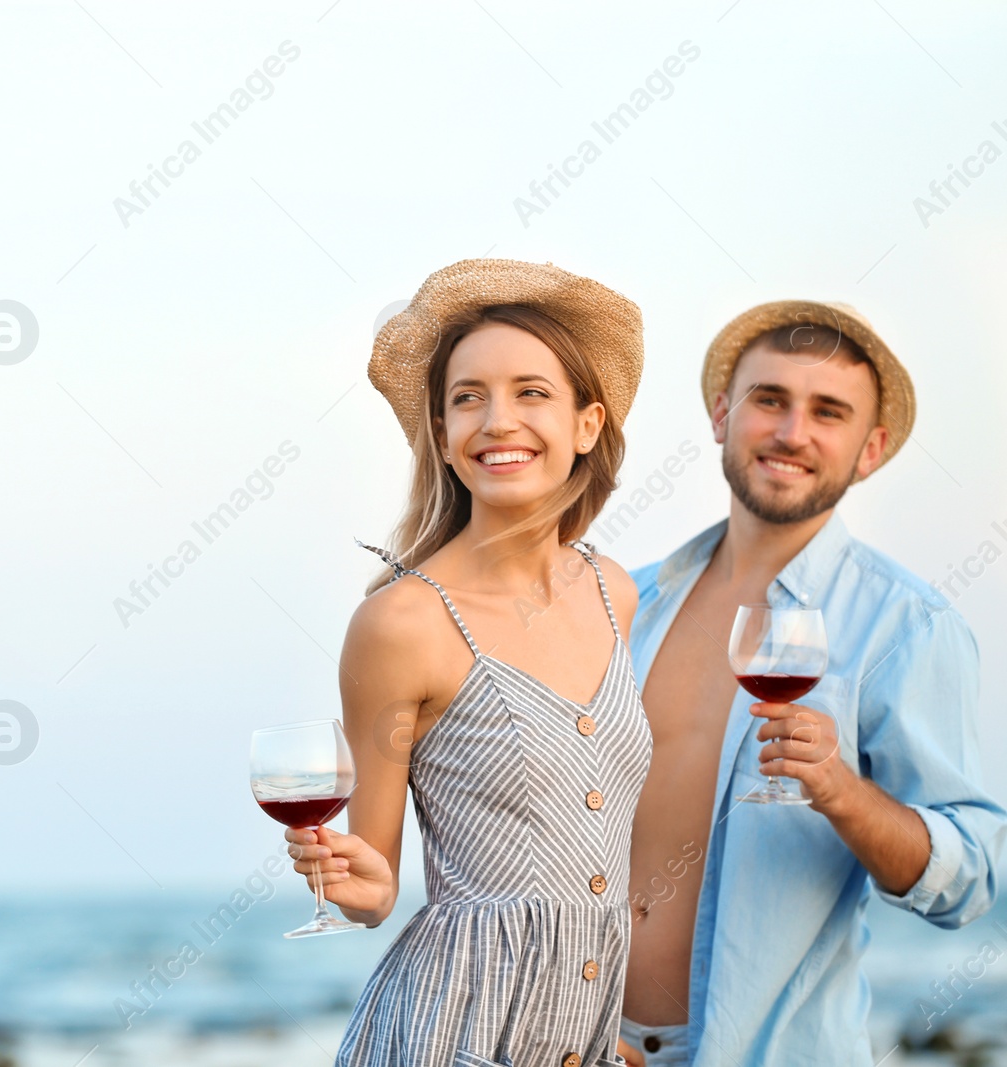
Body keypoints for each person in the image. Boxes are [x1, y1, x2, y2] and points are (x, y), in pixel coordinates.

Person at [615, 301, 1007, 1066]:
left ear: (870, 449)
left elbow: (974, 879)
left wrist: (840, 789)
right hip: (587, 1050)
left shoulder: (906, 626)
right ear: (723, 414)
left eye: (828, 412)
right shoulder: (627, 603)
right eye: (770, 400)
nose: (792, 433)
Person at [286, 258, 652, 1067]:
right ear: (445, 440)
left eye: (531, 392)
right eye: (467, 397)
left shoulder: (613, 590)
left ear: (587, 425)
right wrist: (350, 881)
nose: (497, 420)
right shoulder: (400, 625)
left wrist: (602, 1031)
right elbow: (376, 883)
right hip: (448, 1034)